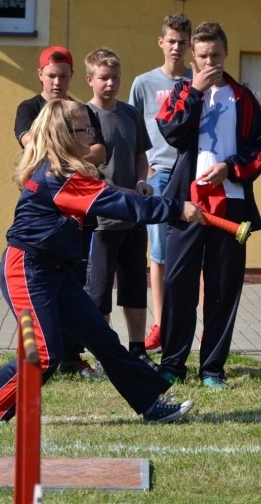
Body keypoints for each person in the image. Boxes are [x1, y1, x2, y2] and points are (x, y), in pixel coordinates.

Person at [0, 99, 201, 425]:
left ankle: (151, 404)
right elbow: (118, 204)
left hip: (55, 271)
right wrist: (175, 208)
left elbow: (112, 193)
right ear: (64, 133)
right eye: (84, 129)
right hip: (28, 269)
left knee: (104, 341)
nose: (91, 135)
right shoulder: (59, 176)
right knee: (44, 354)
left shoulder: (67, 172)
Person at [155, 22, 261, 389]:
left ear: (226, 52)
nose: (209, 62)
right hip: (188, 205)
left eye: (215, 55)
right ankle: (173, 363)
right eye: (202, 56)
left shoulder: (243, 97)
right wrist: (194, 92)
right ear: (192, 55)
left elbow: (259, 149)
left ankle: (212, 369)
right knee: (177, 285)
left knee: (222, 289)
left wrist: (231, 168)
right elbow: (170, 131)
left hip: (231, 206)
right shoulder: (181, 91)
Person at [13, 46, 106, 379]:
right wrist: (73, 159)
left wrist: (65, 158)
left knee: (75, 282)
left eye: (63, 76)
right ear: (40, 75)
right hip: (44, 220)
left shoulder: (80, 111)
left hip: (79, 210)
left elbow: (99, 150)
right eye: (51, 76)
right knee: (42, 284)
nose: (57, 82)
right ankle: (41, 350)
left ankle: (71, 354)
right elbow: (31, 143)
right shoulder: (30, 108)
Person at [83, 48, 159, 369]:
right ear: (90, 80)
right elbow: (85, 171)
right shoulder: (82, 117)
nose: (110, 83)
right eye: (103, 78)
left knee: (133, 286)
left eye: (115, 77)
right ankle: (106, 353)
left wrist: (142, 182)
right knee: (99, 289)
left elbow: (142, 156)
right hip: (100, 220)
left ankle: (137, 348)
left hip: (133, 216)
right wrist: (123, 192)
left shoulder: (130, 114)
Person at [128, 13, 193, 353]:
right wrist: (143, 174)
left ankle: (184, 322)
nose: (177, 47)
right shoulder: (143, 83)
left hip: (192, 173)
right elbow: (133, 131)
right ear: (161, 42)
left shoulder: (199, 80)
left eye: (183, 42)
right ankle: (160, 324)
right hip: (159, 174)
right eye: (171, 41)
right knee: (159, 253)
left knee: (191, 251)